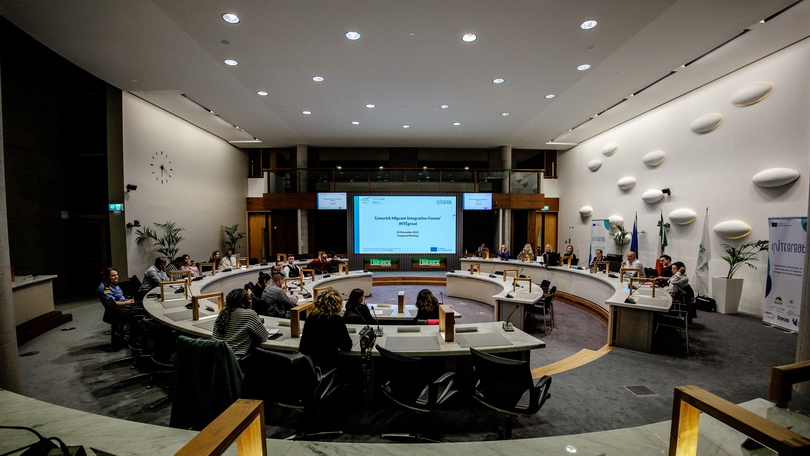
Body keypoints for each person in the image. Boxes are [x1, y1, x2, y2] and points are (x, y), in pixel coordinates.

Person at [299, 289, 353, 370]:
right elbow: (346, 346)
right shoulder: (337, 320)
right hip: (327, 365)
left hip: (309, 365)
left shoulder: (311, 316)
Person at [212, 288, 269, 359]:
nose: (251, 301)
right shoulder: (249, 314)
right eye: (249, 299)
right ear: (242, 303)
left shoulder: (223, 311)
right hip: (235, 361)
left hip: (216, 359)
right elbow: (264, 337)